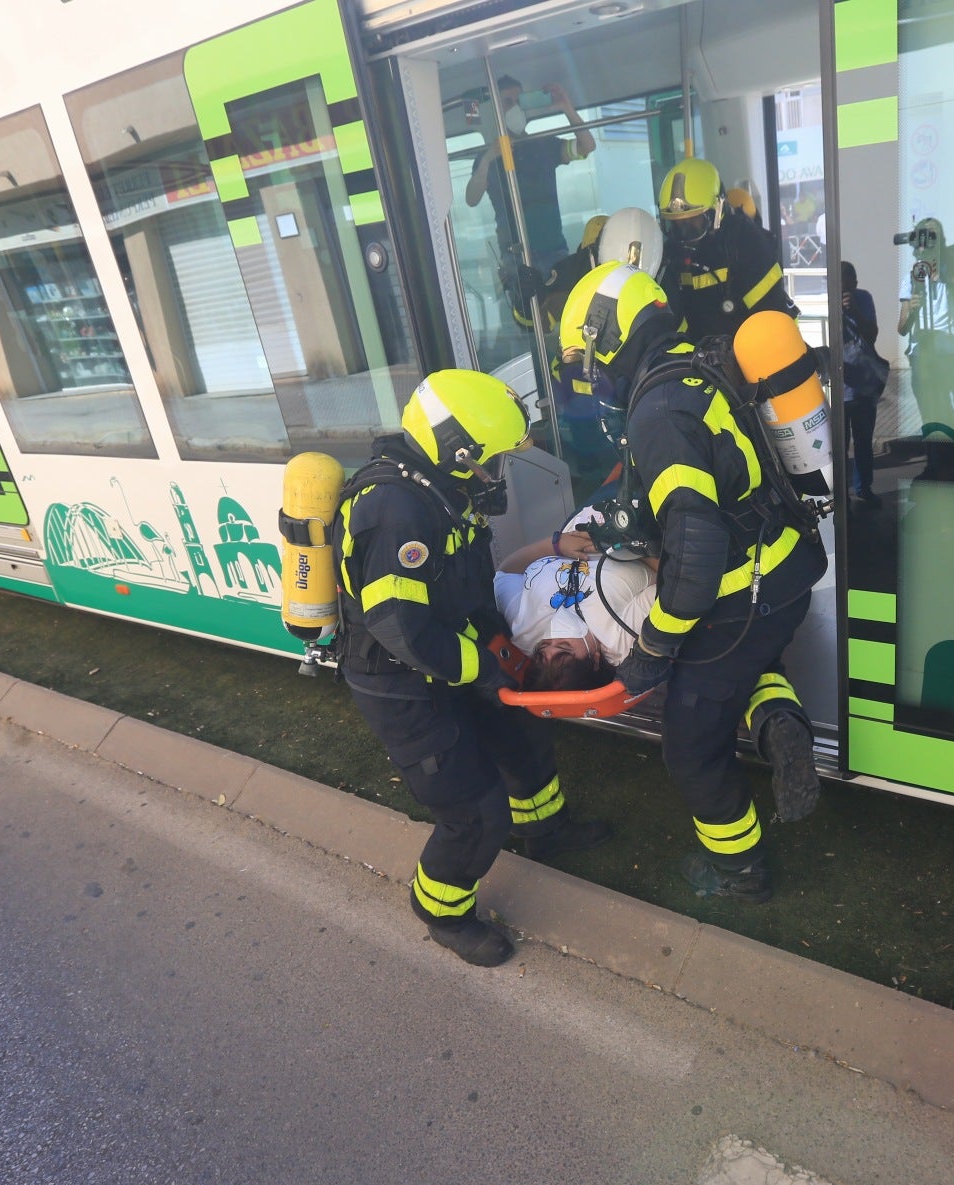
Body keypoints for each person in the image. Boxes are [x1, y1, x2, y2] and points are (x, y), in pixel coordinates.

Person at [557, 261, 826, 902]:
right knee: (741, 668)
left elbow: (698, 550)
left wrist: (655, 647)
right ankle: (778, 719)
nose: (588, 379)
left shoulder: (657, 412)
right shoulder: (694, 366)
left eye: (585, 362)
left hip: (740, 594)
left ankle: (741, 872)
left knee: (691, 747)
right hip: (783, 572)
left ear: (608, 339)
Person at [333, 368, 612, 966]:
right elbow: (400, 629)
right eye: (491, 460)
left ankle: (546, 833)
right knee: (473, 810)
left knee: (524, 737)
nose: (496, 473)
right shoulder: (396, 512)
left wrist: (502, 651)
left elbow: (468, 588)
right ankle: (442, 911)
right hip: (401, 683)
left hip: (452, 655)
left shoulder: (442, 490)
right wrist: (485, 671)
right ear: (458, 450)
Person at [465, 77, 597, 314]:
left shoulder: (543, 145)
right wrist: (487, 159)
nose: (514, 107)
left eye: (519, 101)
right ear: (495, 108)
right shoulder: (485, 158)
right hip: (515, 260)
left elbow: (587, 146)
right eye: (507, 101)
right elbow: (471, 198)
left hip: (554, 251)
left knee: (568, 317)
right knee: (527, 319)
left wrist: (567, 107)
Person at [493, 521, 657, 688]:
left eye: (542, 649)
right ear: (595, 661)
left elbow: (507, 572)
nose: (553, 636)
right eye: (565, 648)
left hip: (579, 523)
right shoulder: (621, 641)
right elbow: (671, 582)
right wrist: (626, 541)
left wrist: (556, 545)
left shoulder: (523, 631)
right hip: (635, 527)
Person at [658, 157, 795, 340]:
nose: (684, 235)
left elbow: (771, 318)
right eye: (675, 226)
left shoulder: (747, 245)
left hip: (755, 349)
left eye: (694, 223)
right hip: (699, 360)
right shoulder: (670, 255)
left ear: (718, 209)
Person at [895, 217, 954, 435]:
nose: (929, 240)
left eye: (933, 235)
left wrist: (942, 261)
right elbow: (901, 328)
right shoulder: (911, 278)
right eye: (924, 235)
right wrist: (912, 311)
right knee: (930, 414)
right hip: (923, 353)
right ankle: (935, 463)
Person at [839, 261, 884, 504]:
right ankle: (841, 493)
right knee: (840, 444)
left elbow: (873, 335)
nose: (844, 289)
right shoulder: (827, 303)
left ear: (855, 284)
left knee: (864, 441)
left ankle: (864, 487)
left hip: (864, 385)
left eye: (849, 284)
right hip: (841, 386)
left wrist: (854, 309)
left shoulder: (863, 299)